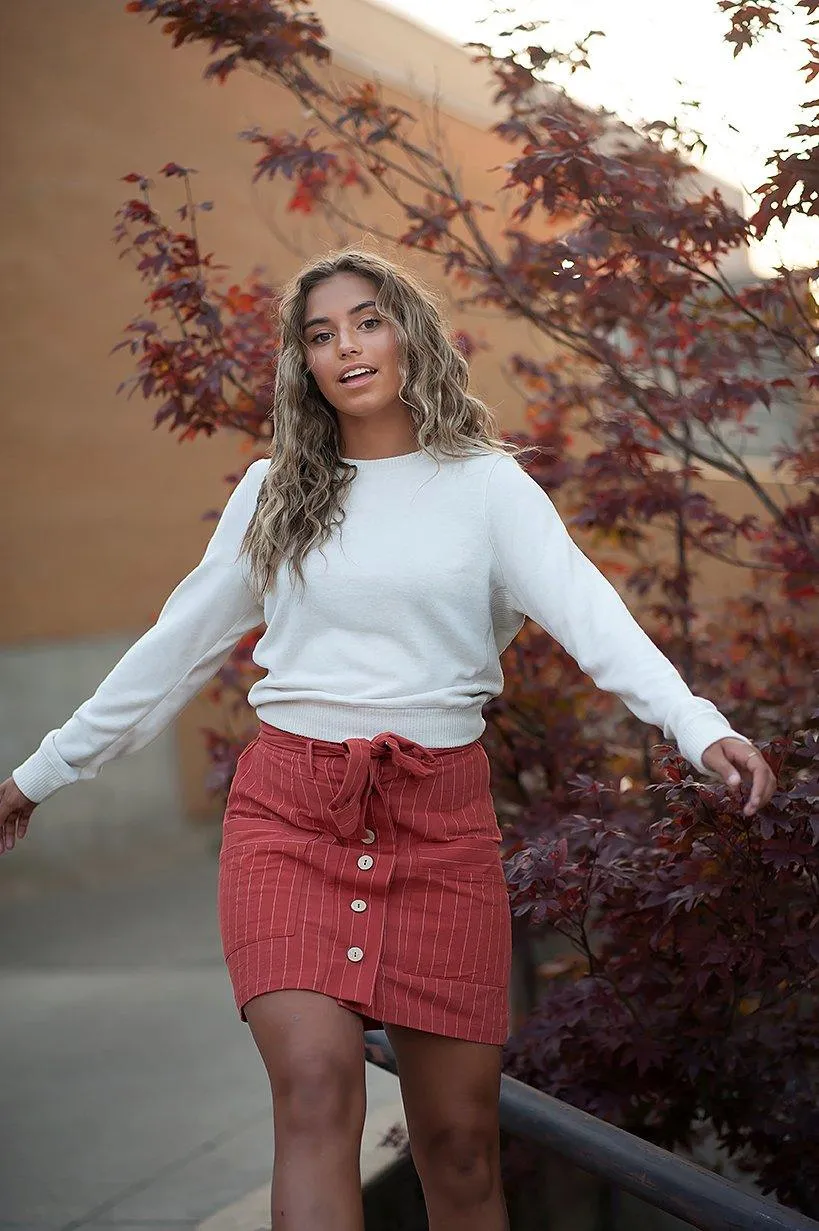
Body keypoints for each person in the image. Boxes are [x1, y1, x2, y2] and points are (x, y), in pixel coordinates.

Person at [0, 248, 776, 1231]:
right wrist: (36, 775)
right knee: (316, 1088)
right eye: (320, 335)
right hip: (289, 816)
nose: (346, 348)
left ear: (409, 331)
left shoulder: (489, 491)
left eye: (366, 321)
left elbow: (596, 620)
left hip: (440, 826)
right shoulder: (274, 491)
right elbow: (174, 650)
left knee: (458, 1144)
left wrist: (700, 730)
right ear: (305, 365)